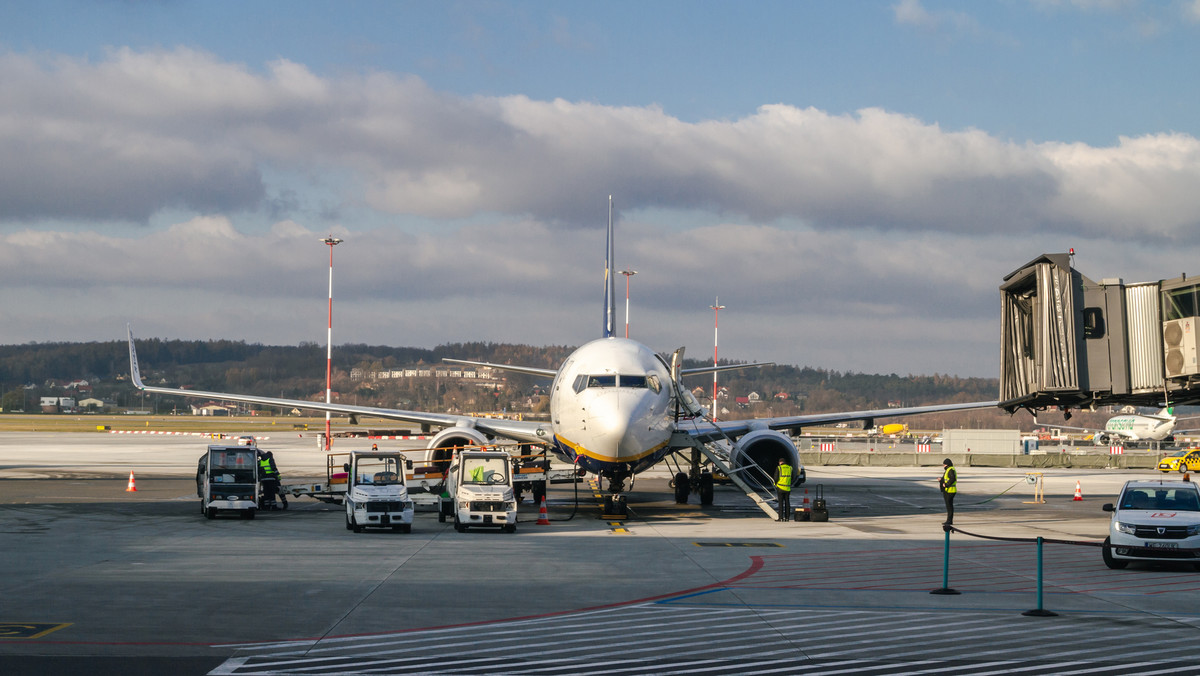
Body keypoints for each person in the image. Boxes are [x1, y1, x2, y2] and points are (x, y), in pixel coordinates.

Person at [939, 457, 957, 525]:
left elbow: (952, 479)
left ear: (947, 464)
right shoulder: (949, 469)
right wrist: (941, 480)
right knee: (949, 506)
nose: (943, 466)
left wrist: (946, 485)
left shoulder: (950, 470)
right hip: (949, 490)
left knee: (949, 506)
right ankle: (949, 520)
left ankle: (949, 521)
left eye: (944, 464)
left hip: (950, 490)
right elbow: (947, 478)